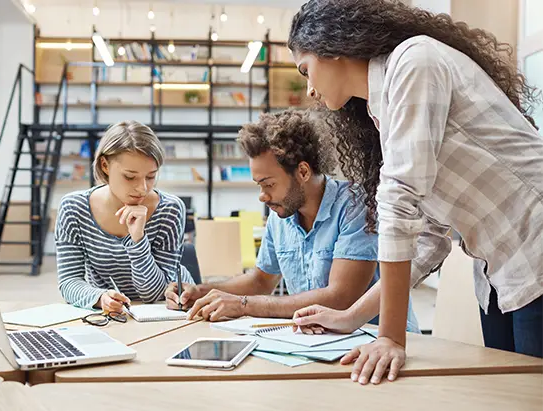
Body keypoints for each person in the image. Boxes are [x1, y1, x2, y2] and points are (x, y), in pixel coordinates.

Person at [287, 0, 543, 386]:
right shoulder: (382, 107)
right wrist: (353, 316)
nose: (309, 89)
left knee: (528, 394)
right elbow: (428, 238)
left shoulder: (413, 61)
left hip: (534, 246)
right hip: (499, 271)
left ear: (332, 46)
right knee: (509, 393)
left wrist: (390, 336)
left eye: (306, 70)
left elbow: (399, 200)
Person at [164, 110, 419, 332]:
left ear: (303, 172)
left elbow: (341, 297)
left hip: (374, 339)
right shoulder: (281, 214)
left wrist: (243, 305)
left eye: (269, 184)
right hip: (320, 341)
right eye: (259, 185)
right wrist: (202, 292)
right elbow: (260, 281)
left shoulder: (354, 204)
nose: (262, 196)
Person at [55, 121, 194, 313]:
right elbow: (69, 281)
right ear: (105, 165)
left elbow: (152, 294)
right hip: (112, 312)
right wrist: (99, 297)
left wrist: (138, 239)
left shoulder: (170, 209)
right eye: (130, 177)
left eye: (151, 176)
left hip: (162, 312)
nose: (142, 188)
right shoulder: (74, 208)